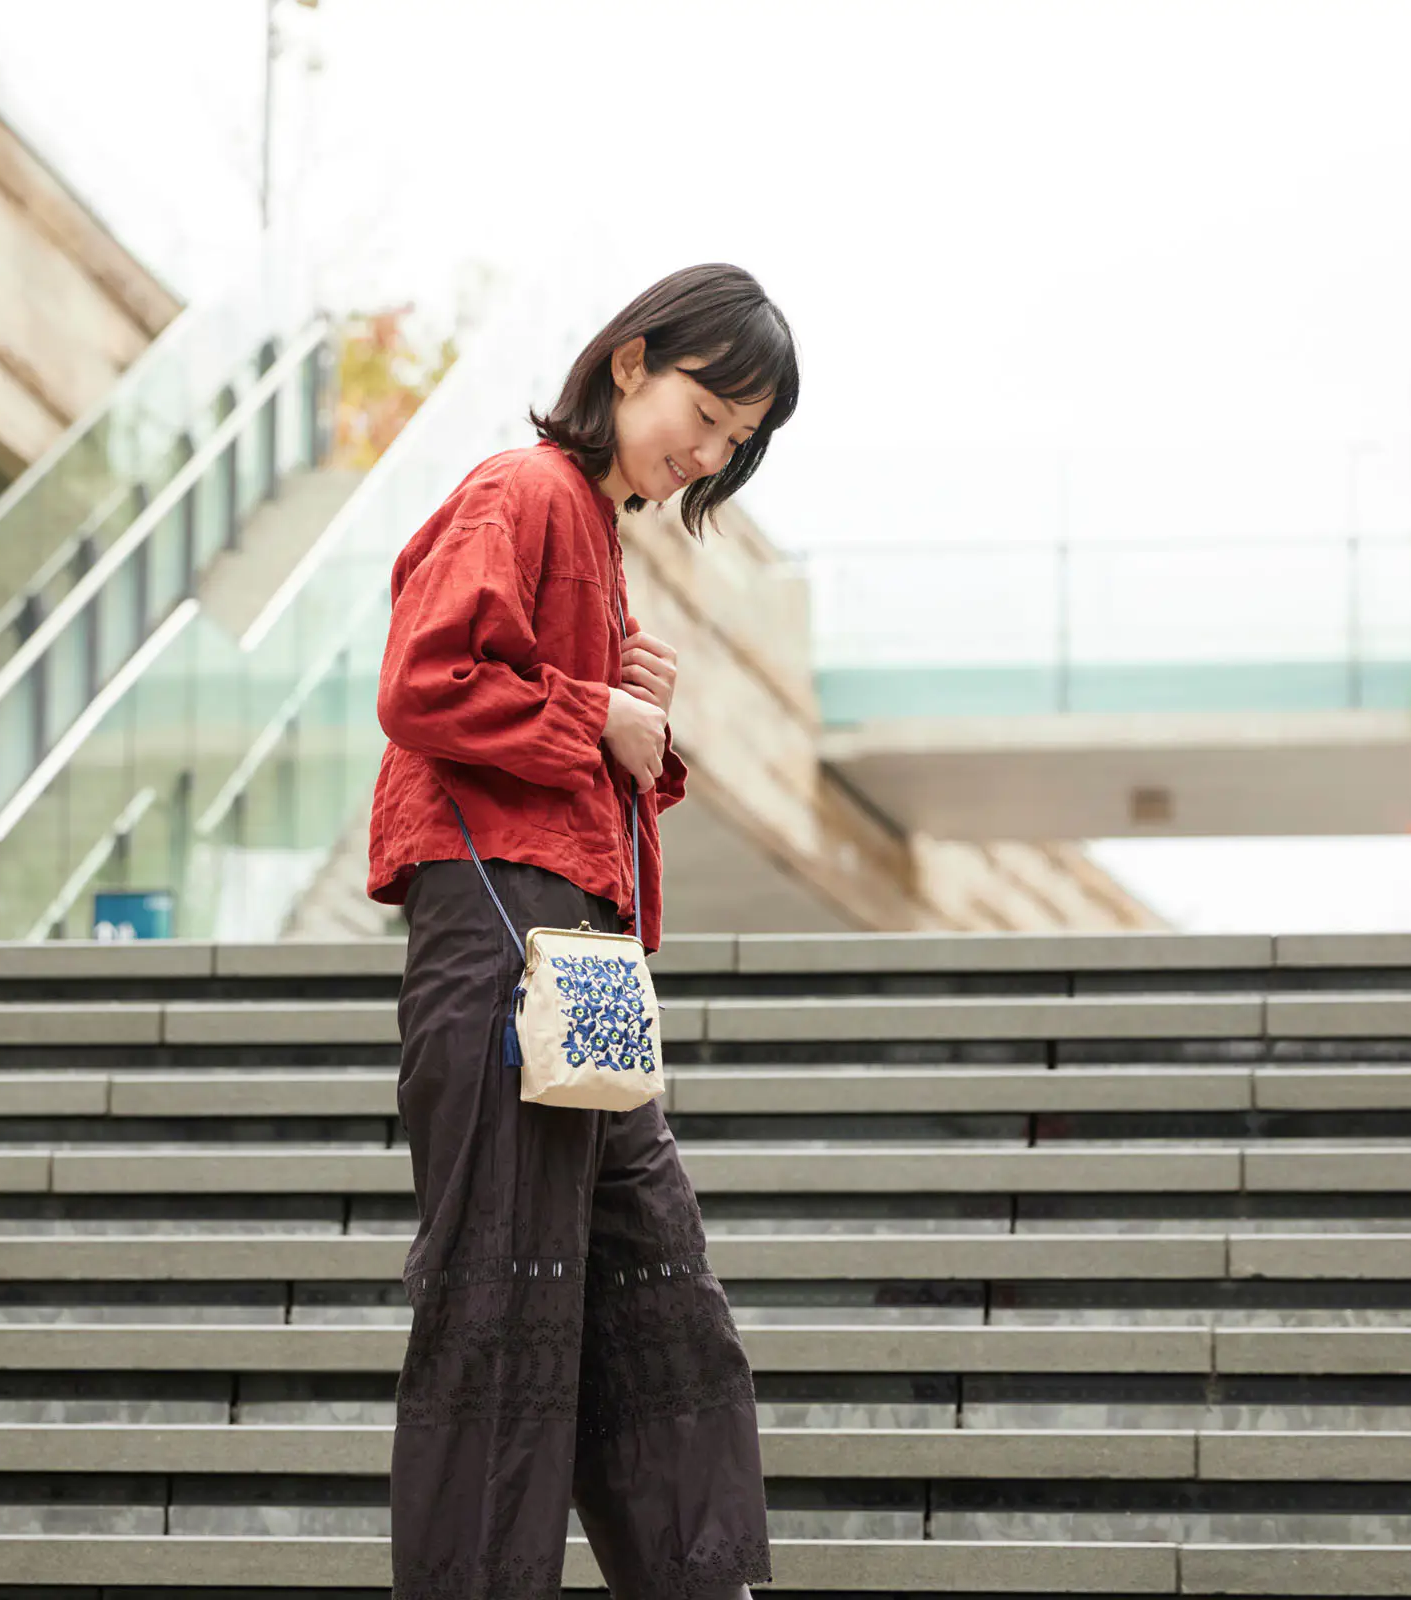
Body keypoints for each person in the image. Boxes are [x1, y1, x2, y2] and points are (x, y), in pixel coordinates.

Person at [366, 263, 799, 1600]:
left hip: (576, 965)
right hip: (505, 947)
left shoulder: (595, 533)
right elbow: (424, 682)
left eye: (735, 442)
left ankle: (700, 1575)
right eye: (706, 412)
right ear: (630, 361)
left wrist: (626, 716)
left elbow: (564, 772)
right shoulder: (527, 488)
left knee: (651, 1282)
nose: (707, 455)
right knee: (504, 1292)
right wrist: (591, 711)